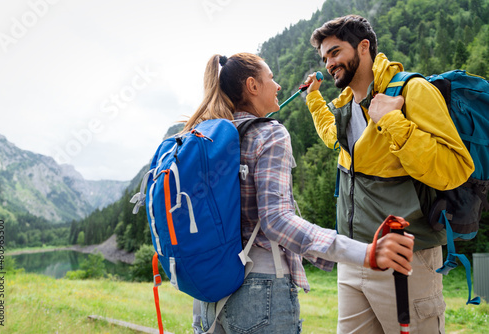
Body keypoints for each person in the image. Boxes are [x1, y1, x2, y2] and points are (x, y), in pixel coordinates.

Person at [185, 52, 415, 334]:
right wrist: (364, 252)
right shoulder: (269, 134)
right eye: (271, 78)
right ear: (253, 86)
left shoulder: (204, 135)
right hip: (259, 288)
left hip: (208, 291)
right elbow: (276, 221)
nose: (278, 86)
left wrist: (313, 96)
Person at [304, 14, 475, 334]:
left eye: (336, 52)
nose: (329, 63)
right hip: (353, 257)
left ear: (363, 47)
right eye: (325, 57)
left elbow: (456, 169)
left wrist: (395, 123)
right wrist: (313, 98)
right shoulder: (342, 105)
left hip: (407, 260)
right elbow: (332, 137)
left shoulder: (413, 90)